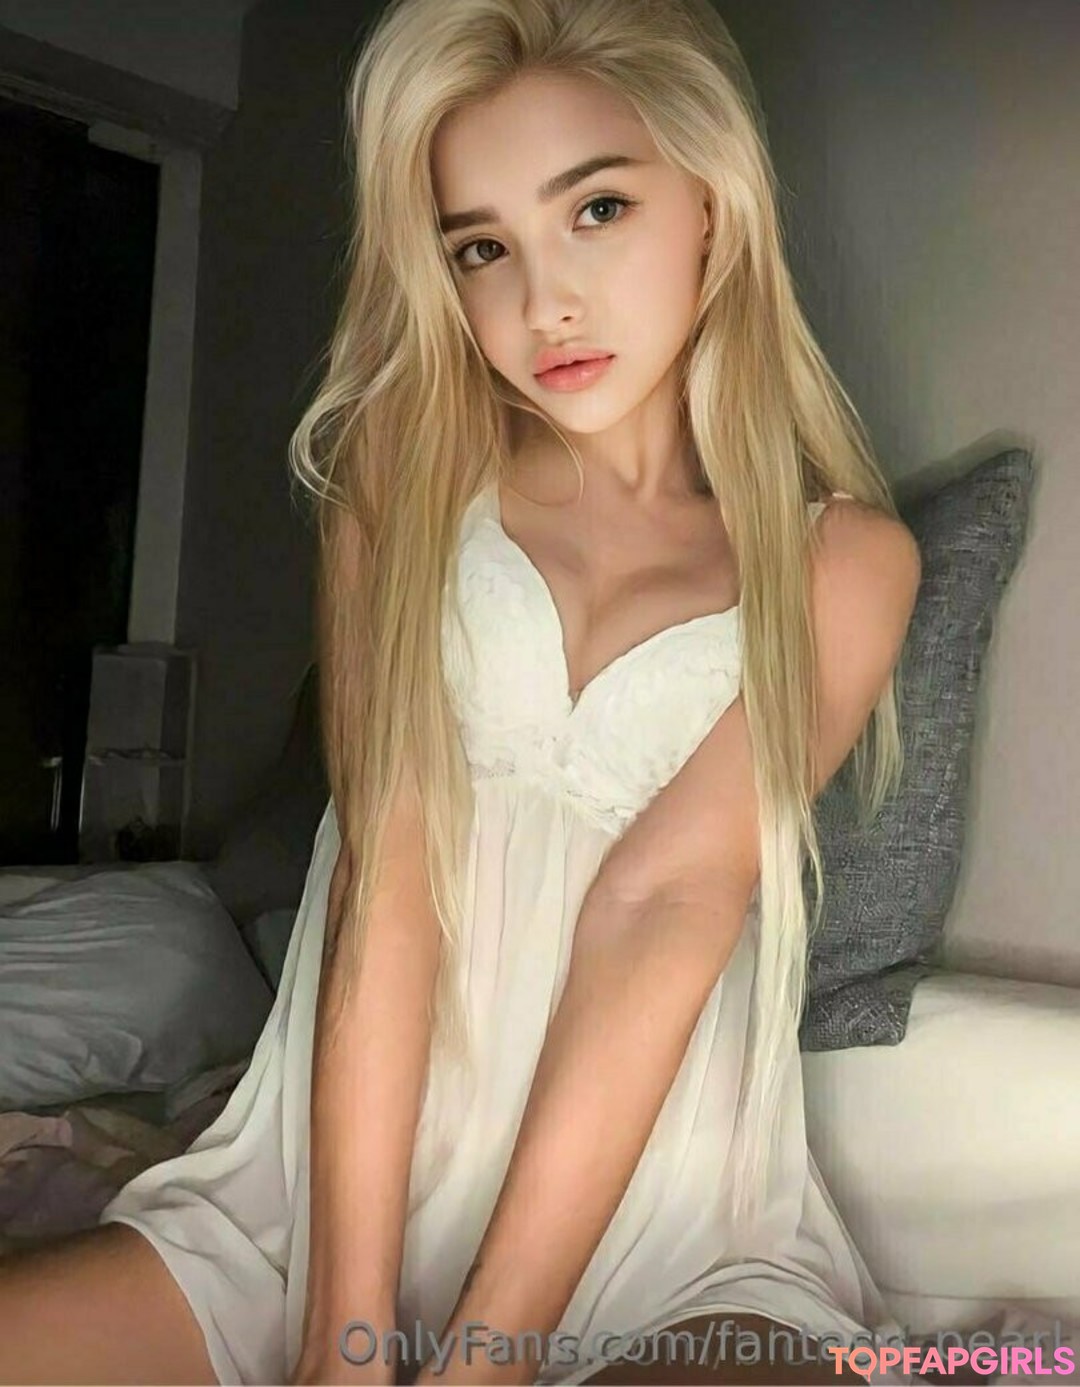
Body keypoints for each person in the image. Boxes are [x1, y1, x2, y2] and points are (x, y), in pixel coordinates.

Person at [0, 0, 923, 1383]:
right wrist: (345, 1335)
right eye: (482, 246)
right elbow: (389, 874)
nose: (544, 303)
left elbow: (662, 910)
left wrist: (486, 1359)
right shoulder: (399, 477)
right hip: (313, 1211)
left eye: (597, 209)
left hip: (666, 1224)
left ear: (714, 207)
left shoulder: (843, 564)